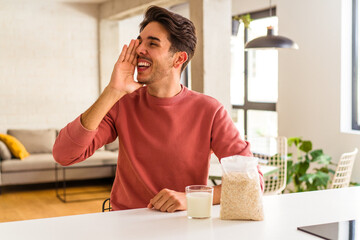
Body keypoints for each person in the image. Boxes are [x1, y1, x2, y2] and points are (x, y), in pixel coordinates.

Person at [53, 5, 263, 213]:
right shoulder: (122, 103)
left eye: (152, 44)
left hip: (181, 225)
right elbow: (64, 154)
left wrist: (192, 198)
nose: (139, 49)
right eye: (140, 42)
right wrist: (112, 90)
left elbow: (254, 183)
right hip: (125, 224)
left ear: (178, 58)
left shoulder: (210, 111)